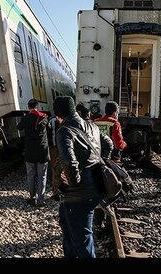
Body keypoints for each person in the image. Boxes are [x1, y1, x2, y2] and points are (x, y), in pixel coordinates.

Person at [53, 96, 113, 258]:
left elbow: (68, 161)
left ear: (58, 115)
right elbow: (108, 143)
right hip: (94, 186)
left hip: (79, 192)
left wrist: (73, 181)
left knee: (82, 239)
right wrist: (101, 162)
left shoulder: (64, 130)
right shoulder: (91, 125)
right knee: (68, 227)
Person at [17, 98, 50, 207]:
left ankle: (32, 198)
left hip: (30, 151)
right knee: (42, 176)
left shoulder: (26, 118)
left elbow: (19, 127)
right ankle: (41, 200)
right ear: (37, 106)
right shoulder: (43, 117)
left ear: (28, 107)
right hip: (42, 151)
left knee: (30, 175)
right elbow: (49, 127)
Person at [48, 114, 61, 201]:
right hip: (63, 147)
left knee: (55, 170)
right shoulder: (68, 118)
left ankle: (56, 192)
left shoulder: (51, 120)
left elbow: (51, 135)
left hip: (54, 148)